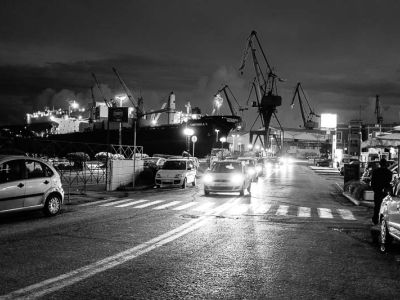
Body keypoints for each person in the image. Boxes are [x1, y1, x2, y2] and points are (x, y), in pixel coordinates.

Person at [370, 158, 393, 225]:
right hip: (385, 191)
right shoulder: (389, 172)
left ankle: (375, 219)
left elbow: (373, 182)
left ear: (380, 164)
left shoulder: (375, 171)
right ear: (386, 164)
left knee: (377, 206)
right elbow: (389, 181)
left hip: (377, 191)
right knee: (385, 206)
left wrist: (375, 189)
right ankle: (383, 220)